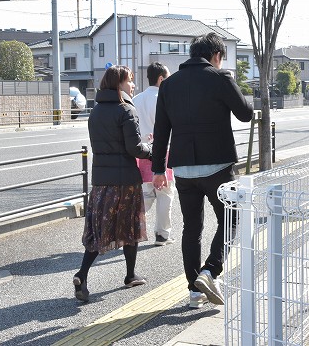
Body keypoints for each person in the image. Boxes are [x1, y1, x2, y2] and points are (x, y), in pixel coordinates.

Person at [151, 32, 253, 309]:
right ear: (216, 55)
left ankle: (194, 291)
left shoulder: (169, 84)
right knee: (230, 219)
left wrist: (158, 169)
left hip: (183, 168)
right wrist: (231, 81)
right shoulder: (220, 78)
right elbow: (245, 112)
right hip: (217, 167)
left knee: (191, 228)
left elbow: (161, 131)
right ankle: (211, 271)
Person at [72, 65, 151, 302]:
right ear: (119, 84)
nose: (133, 86)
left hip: (101, 182)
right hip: (125, 180)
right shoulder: (126, 110)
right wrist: (152, 149)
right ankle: (129, 275)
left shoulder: (95, 112)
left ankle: (83, 274)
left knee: (100, 229)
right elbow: (134, 148)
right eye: (130, 81)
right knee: (130, 228)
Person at [133, 62, 177, 246]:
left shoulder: (136, 99)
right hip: (164, 151)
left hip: (142, 151)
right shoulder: (166, 97)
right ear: (161, 78)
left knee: (146, 193)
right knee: (165, 193)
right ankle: (162, 234)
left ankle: (132, 225)